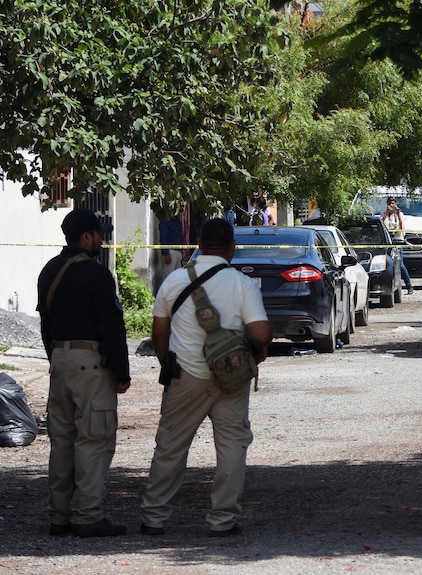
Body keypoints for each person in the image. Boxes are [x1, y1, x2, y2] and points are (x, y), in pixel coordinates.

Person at [140, 218, 272, 537]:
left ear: (199, 245)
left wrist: (166, 363)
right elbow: (259, 332)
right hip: (232, 378)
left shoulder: (173, 281)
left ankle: (154, 518)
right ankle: (222, 520)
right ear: (232, 248)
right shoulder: (243, 284)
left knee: (170, 446)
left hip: (186, 375)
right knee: (231, 447)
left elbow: (159, 331)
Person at [36, 208, 131, 538]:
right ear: (87, 237)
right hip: (90, 364)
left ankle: (58, 517)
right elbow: (112, 326)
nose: (101, 240)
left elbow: (45, 324)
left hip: (59, 361)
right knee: (93, 439)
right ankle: (88, 516)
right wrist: (121, 371)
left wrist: (55, 358)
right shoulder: (97, 274)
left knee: (61, 442)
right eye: (98, 234)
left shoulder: (49, 271)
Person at [381, 196, 414, 295]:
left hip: (398, 240)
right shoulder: (384, 214)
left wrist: (398, 214)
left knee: (400, 264)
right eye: (390, 203)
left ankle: (409, 286)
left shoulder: (400, 214)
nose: (392, 205)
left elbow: (402, 227)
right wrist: (387, 213)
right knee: (387, 263)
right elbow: (382, 226)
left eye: (393, 203)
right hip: (388, 241)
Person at [159, 211, 184, 276]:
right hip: (170, 252)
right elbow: (163, 238)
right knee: (168, 275)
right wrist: (166, 253)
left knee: (178, 276)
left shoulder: (178, 222)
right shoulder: (166, 221)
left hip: (178, 251)